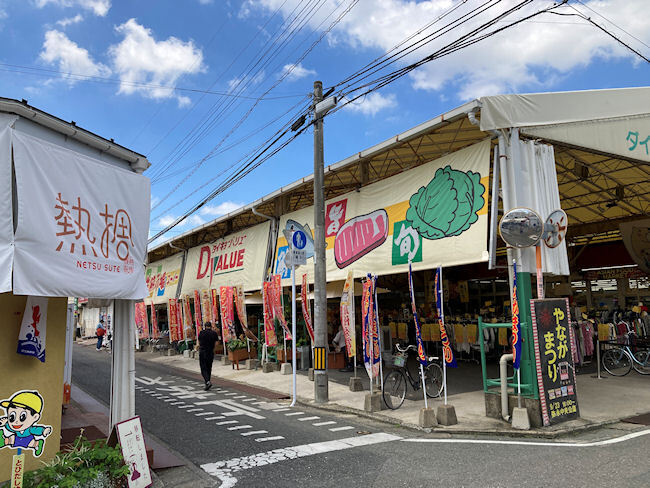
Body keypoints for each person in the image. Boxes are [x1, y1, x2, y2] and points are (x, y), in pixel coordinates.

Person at [198, 322, 219, 390]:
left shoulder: (201, 333)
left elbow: (199, 342)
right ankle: (208, 382)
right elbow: (216, 343)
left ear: (205, 326)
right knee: (209, 367)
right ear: (211, 326)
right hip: (210, 352)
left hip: (203, 351)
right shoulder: (214, 333)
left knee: (203, 368)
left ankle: (207, 381)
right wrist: (213, 349)